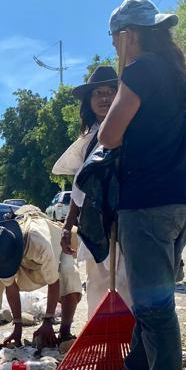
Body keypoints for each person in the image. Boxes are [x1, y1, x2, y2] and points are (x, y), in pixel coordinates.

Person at [96, 0, 186, 370]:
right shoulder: (176, 77)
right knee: (152, 297)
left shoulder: (140, 70)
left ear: (128, 35)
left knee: (154, 305)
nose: (114, 47)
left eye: (113, 39)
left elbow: (108, 135)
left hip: (148, 201)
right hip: (180, 200)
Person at [53, 65, 131, 315]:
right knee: (97, 282)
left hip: (126, 215)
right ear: (89, 100)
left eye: (111, 91)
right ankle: (99, 334)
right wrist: (68, 225)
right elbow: (80, 188)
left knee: (126, 280)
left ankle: (130, 335)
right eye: (98, 93)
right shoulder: (87, 140)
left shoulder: (132, 130)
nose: (105, 98)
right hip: (94, 221)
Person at [0, 206, 81, 351]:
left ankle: (65, 333)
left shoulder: (40, 243)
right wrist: (18, 326)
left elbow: (54, 283)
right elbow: (11, 287)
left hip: (57, 254)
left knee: (69, 271)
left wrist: (47, 322)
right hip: (24, 262)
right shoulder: (3, 247)